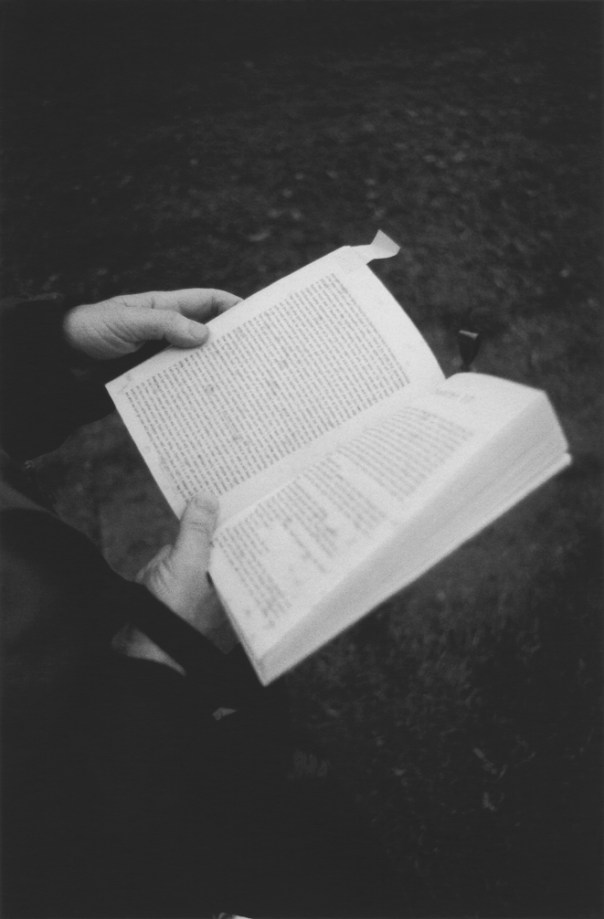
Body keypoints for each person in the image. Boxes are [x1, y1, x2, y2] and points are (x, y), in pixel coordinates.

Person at [0, 288, 402, 919]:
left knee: (273, 803)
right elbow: (38, 861)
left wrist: (45, 350)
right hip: (133, 824)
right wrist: (160, 663)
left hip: (132, 705)